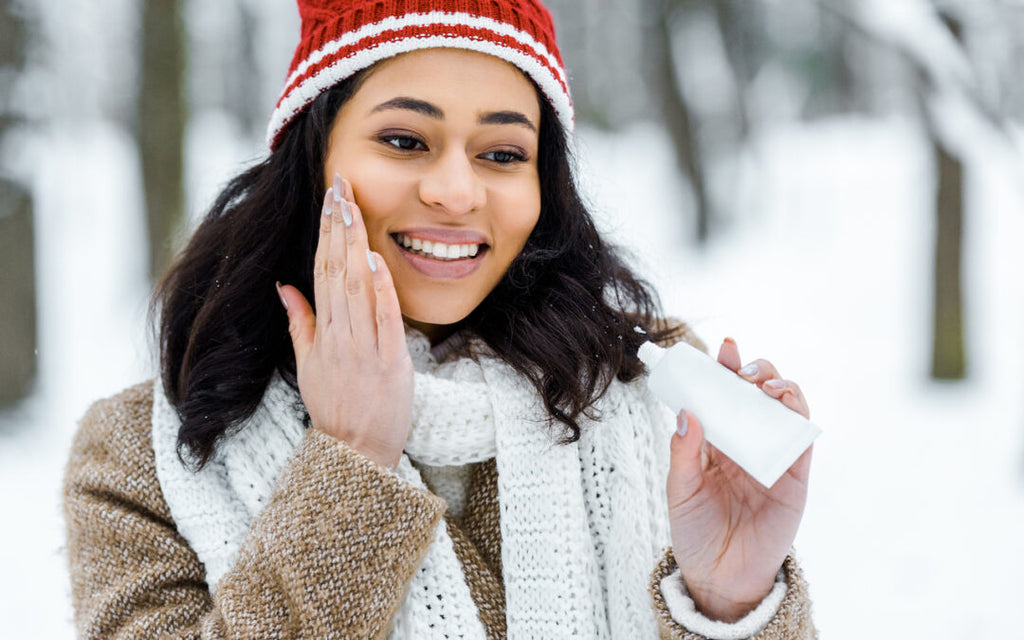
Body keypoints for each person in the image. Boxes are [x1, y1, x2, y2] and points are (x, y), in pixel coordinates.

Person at [63, 1, 817, 638]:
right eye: (403, 140)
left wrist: (729, 602)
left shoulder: (647, 397)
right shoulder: (142, 458)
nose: (457, 192)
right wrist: (350, 464)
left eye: (501, 153)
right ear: (313, 156)